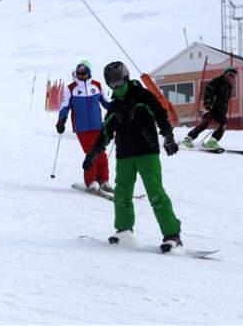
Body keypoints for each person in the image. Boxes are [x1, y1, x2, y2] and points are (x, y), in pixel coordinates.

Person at [83, 61, 182, 252]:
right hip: (125, 155)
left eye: (119, 83)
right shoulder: (115, 106)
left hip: (147, 152)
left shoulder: (143, 96)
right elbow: (106, 131)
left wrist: (168, 136)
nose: (117, 88)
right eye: (113, 85)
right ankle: (123, 231)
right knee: (122, 194)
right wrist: (94, 152)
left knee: (155, 193)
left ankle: (172, 235)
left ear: (127, 79)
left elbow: (161, 115)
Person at [56, 61, 111, 192]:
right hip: (82, 127)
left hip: (98, 126)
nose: (80, 76)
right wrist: (61, 121)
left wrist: (118, 110)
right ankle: (91, 181)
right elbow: (65, 106)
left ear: (89, 73)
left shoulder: (97, 86)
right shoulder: (71, 88)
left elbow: (106, 103)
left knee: (101, 153)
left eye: (83, 73)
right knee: (91, 152)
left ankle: (103, 180)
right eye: (78, 73)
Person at [182, 67, 237, 149]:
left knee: (223, 123)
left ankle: (212, 141)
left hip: (220, 111)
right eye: (230, 74)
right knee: (205, 123)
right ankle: (188, 139)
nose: (231, 77)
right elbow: (208, 90)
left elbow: (225, 101)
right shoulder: (217, 82)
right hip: (211, 108)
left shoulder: (228, 87)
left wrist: (224, 110)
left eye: (233, 76)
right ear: (225, 74)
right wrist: (208, 103)